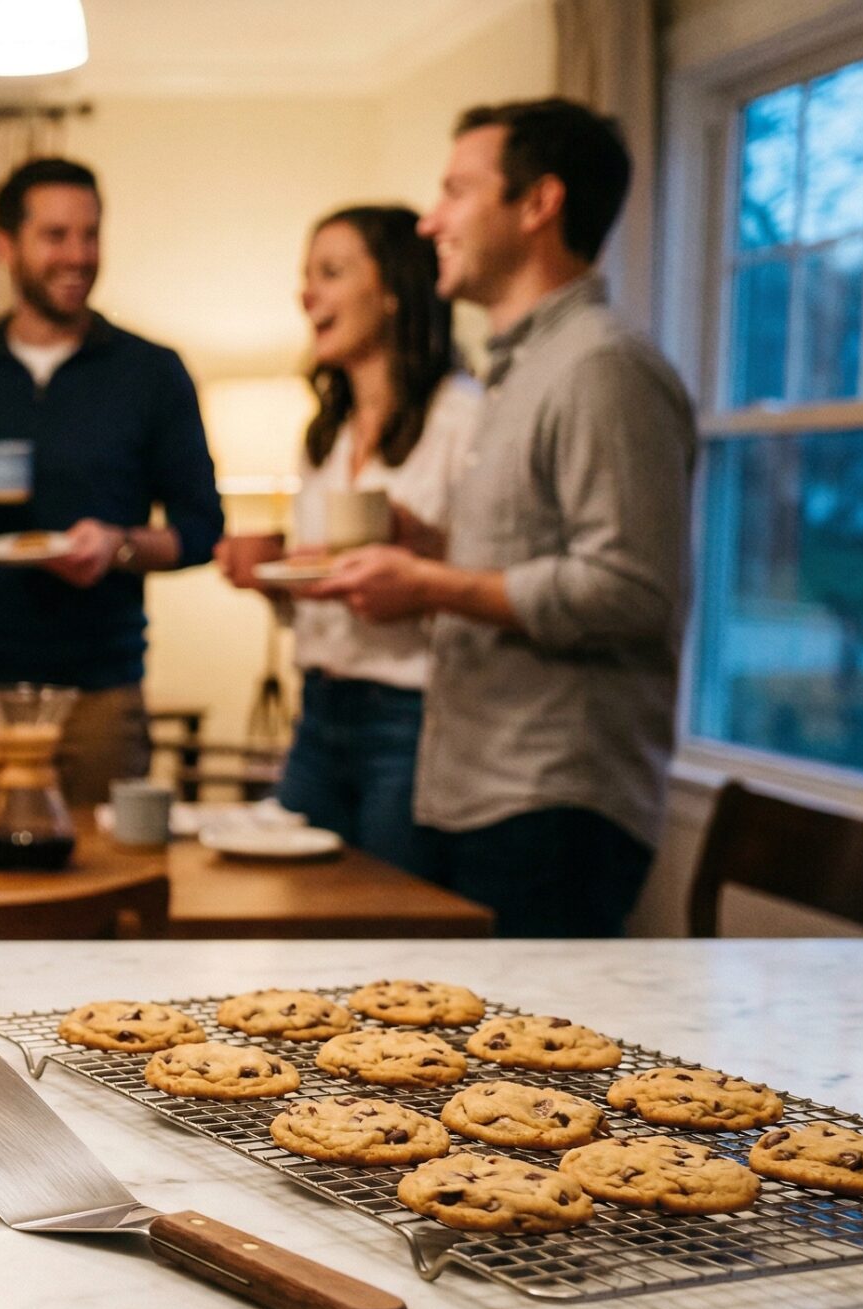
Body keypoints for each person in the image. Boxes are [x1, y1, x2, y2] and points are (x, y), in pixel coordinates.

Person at [309, 99, 696, 937]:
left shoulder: (602, 366)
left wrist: (432, 580)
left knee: (535, 1067)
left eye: (455, 191)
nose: (430, 218)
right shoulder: (521, 373)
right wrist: (432, 552)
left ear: (537, 205)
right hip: (474, 783)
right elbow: (539, 558)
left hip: (552, 798)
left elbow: (632, 590)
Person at [0, 157, 224, 807]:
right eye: (56, 236)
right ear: (5, 247)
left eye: (90, 234)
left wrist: (118, 546)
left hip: (98, 691)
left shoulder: (152, 373)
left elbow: (203, 530)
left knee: (102, 887)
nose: (78, 255)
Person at [219, 206, 479, 874]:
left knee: (397, 924)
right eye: (306, 275)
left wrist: (420, 550)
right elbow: (321, 592)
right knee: (300, 912)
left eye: (331, 272)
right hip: (319, 713)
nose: (308, 293)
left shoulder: (464, 416)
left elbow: (497, 576)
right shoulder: (327, 432)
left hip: (415, 718)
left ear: (392, 290)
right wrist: (268, 575)